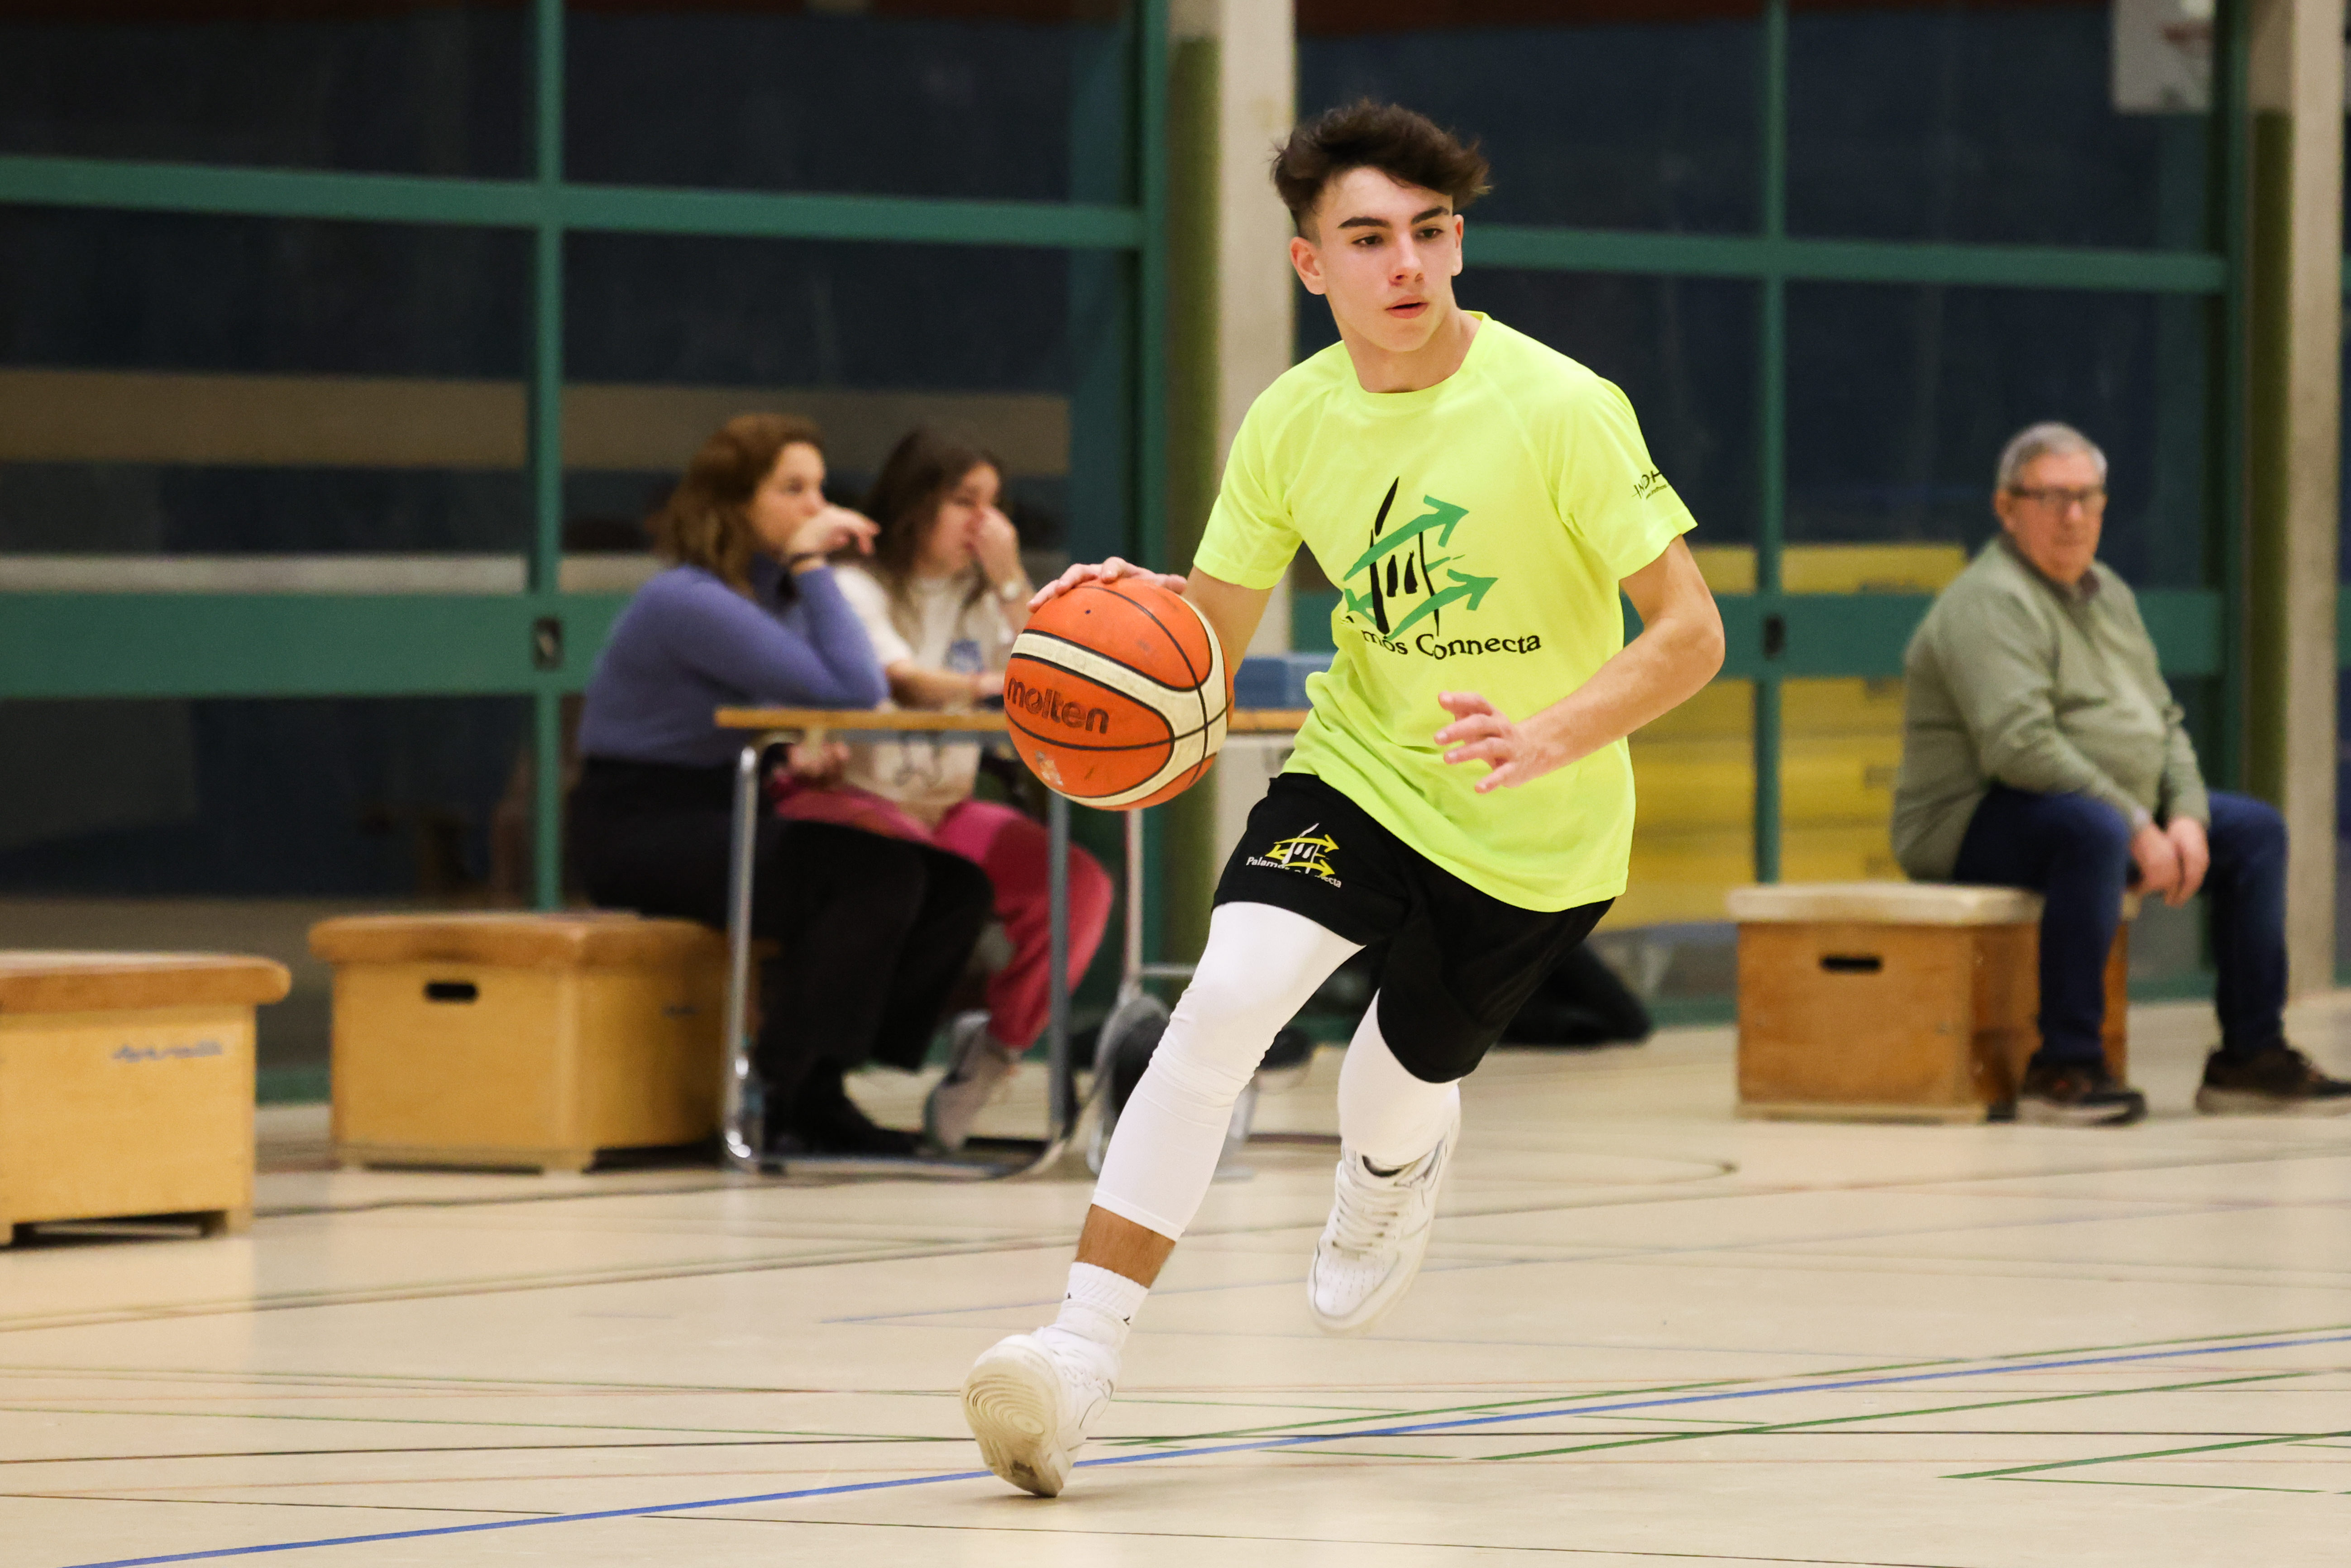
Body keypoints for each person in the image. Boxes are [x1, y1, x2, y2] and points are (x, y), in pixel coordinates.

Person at [956, 100, 1726, 1497]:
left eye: (1428, 232)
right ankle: (1074, 1357)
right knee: (1227, 1000)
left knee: (1391, 1087)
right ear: (1310, 264)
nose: (1405, 264)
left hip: (1536, 833)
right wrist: (1103, 626)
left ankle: (1389, 1173)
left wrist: (1551, 733)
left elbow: (1690, 632)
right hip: (1361, 773)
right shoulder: (1292, 422)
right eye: (1367, 239)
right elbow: (1203, 643)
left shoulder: (1562, 407)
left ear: (1458, 242)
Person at [1893, 421, 2351, 1126]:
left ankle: (2249, 1058)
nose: (2072, 515)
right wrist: (2137, 824)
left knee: (2253, 831)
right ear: (2006, 508)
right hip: (1970, 817)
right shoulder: (1988, 602)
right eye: (2050, 497)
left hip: (2098, 807)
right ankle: (2065, 1066)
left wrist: (2187, 815)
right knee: (2092, 833)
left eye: (2086, 497)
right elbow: (2018, 747)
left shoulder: (2108, 595)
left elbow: (2163, 724)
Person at [568, 412, 994, 1157]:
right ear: (735, 503)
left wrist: (789, 750)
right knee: (874, 877)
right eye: (793, 490)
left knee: (955, 887)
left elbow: (805, 700)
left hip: (725, 804)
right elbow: (858, 689)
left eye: (821, 489)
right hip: (639, 825)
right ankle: (781, 1091)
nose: (816, 507)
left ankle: (824, 1080)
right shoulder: (689, 600)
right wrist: (811, 565)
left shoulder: (767, 597)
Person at [827, 429, 1115, 1152]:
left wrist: (1012, 579)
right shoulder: (853, 585)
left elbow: (1053, 675)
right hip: (857, 803)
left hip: (946, 807)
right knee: (912, 879)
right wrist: (993, 686)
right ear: (914, 503)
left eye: (993, 505)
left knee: (1078, 887)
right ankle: (818, 1078)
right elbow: (904, 682)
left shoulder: (981, 600)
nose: (982, 522)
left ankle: (994, 1053)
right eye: (964, 501)